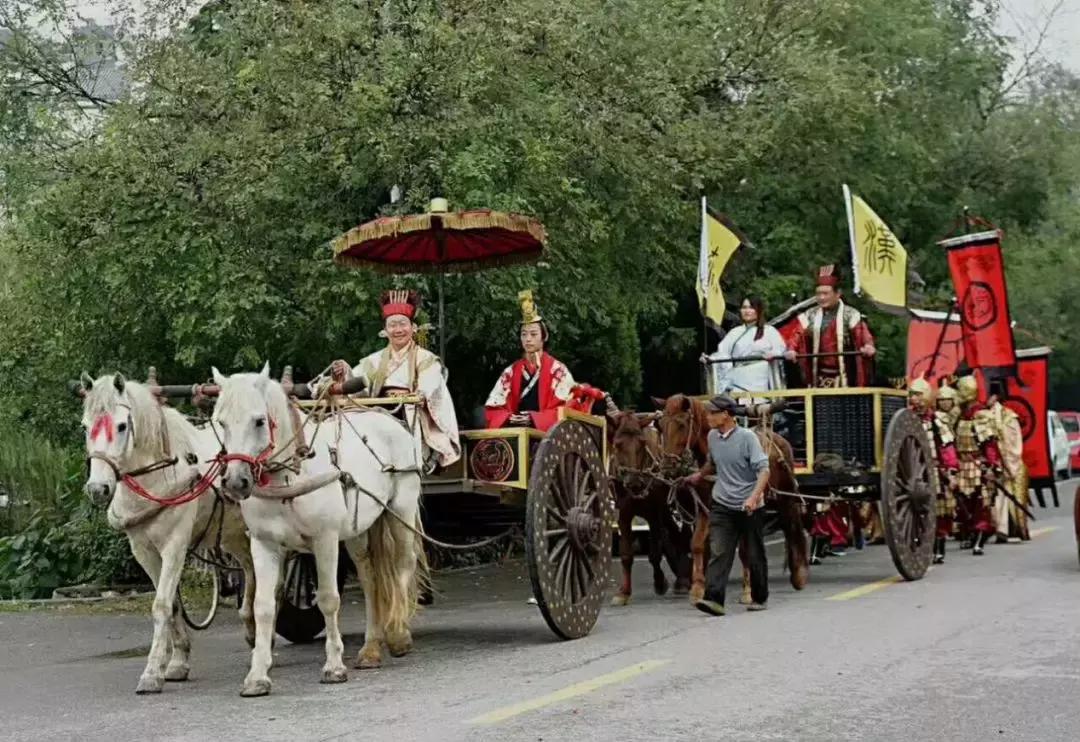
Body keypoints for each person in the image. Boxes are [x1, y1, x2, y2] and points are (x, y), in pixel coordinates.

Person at [331, 289, 461, 472]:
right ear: (384, 331)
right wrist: (345, 373)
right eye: (392, 325)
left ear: (413, 327)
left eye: (402, 324)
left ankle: (423, 461)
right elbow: (359, 387)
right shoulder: (373, 361)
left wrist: (420, 394)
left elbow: (430, 384)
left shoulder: (425, 359)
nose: (398, 330)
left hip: (409, 412)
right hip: (378, 412)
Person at [680, 395, 771, 616]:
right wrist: (698, 476)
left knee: (753, 553)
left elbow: (764, 471)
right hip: (722, 502)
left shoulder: (748, 438)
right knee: (719, 551)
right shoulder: (712, 436)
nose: (708, 417)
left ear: (726, 415)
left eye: (712, 413)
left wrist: (753, 497)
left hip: (749, 506)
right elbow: (712, 463)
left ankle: (760, 596)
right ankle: (714, 599)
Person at [485, 290, 578, 432]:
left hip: (547, 437)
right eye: (524, 334)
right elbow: (494, 408)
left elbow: (568, 408)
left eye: (533, 334)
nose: (528, 339)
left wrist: (534, 419)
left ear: (544, 337)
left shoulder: (558, 370)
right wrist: (509, 418)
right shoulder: (511, 372)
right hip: (516, 432)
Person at [783, 264, 876, 388]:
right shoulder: (809, 315)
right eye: (818, 294)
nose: (821, 297)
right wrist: (791, 349)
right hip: (818, 374)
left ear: (838, 294)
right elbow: (797, 334)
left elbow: (863, 334)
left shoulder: (851, 315)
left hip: (846, 373)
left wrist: (868, 346)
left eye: (826, 293)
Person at [947, 375, 1001, 555]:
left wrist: (991, 466)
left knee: (981, 504)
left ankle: (980, 536)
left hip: (978, 464)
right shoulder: (957, 415)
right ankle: (970, 533)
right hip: (961, 464)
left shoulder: (982, 416)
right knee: (963, 503)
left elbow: (990, 445)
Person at [908, 377, 958, 564]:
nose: (916, 400)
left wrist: (951, 471)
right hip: (911, 472)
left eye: (919, 395)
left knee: (939, 511)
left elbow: (946, 448)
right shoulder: (905, 419)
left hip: (934, 470)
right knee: (916, 512)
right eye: (913, 395)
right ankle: (918, 545)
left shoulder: (937, 421)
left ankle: (939, 546)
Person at [701, 296, 786, 397]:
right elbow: (722, 353)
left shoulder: (769, 330)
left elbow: (780, 349)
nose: (747, 311)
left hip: (759, 375)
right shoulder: (734, 332)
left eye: (751, 307)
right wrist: (710, 359)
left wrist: (773, 354)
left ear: (758, 310)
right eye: (744, 307)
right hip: (737, 375)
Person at [986, 386, 1031, 543]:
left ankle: (1008, 529)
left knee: (1008, 496)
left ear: (995, 396)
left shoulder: (1008, 417)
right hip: (990, 462)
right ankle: (998, 528)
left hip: (1008, 462)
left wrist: (1007, 462)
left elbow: (1014, 443)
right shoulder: (980, 415)